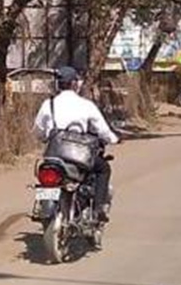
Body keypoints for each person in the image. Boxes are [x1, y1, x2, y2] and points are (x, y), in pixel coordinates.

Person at [33, 66, 120, 227]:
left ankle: (44, 206)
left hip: (54, 155)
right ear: (74, 84)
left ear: (58, 85)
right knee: (103, 169)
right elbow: (103, 130)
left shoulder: (48, 104)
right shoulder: (86, 105)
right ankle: (98, 209)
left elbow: (38, 130)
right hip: (80, 156)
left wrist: (45, 137)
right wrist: (113, 139)